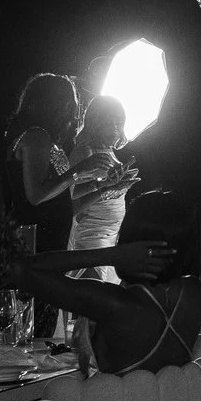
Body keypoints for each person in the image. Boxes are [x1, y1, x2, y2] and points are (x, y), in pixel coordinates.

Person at [16, 191, 201, 376]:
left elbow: (23, 270)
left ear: (130, 238)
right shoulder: (194, 293)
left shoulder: (113, 304)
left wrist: (111, 255)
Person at [6, 74, 83, 338]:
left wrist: (104, 188)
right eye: (68, 105)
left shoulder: (49, 139)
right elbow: (36, 195)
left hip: (53, 240)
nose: (72, 112)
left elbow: (62, 196)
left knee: (47, 318)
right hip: (38, 242)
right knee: (36, 322)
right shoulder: (36, 137)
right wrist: (80, 169)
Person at [65, 97, 142, 277]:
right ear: (95, 122)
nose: (115, 129)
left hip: (111, 237)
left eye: (119, 123)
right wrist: (105, 188)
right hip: (90, 239)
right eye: (110, 123)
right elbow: (73, 203)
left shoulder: (110, 151)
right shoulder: (86, 152)